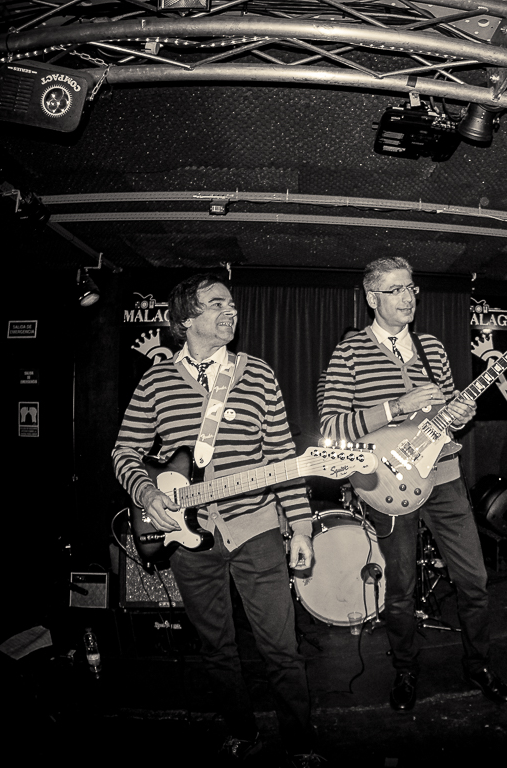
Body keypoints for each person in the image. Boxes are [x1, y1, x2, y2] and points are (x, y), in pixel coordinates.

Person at [112, 273, 320, 764]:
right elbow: (125, 451)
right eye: (217, 304)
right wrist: (147, 491)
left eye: (232, 304)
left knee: (281, 647)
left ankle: (300, 743)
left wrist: (301, 526)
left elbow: (283, 457)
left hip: (257, 527)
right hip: (185, 537)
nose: (231, 311)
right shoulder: (156, 380)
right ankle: (242, 732)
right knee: (216, 648)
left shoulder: (258, 373)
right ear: (186, 319)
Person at [318, 257, 507, 711]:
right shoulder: (349, 352)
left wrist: (459, 415)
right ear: (372, 298)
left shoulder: (433, 348)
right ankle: (405, 669)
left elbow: (444, 416)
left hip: (444, 476)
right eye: (396, 290)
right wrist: (396, 407)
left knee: (475, 580)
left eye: (411, 288)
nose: (408, 298)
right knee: (400, 588)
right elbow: (331, 426)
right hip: (386, 483)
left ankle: (479, 664)